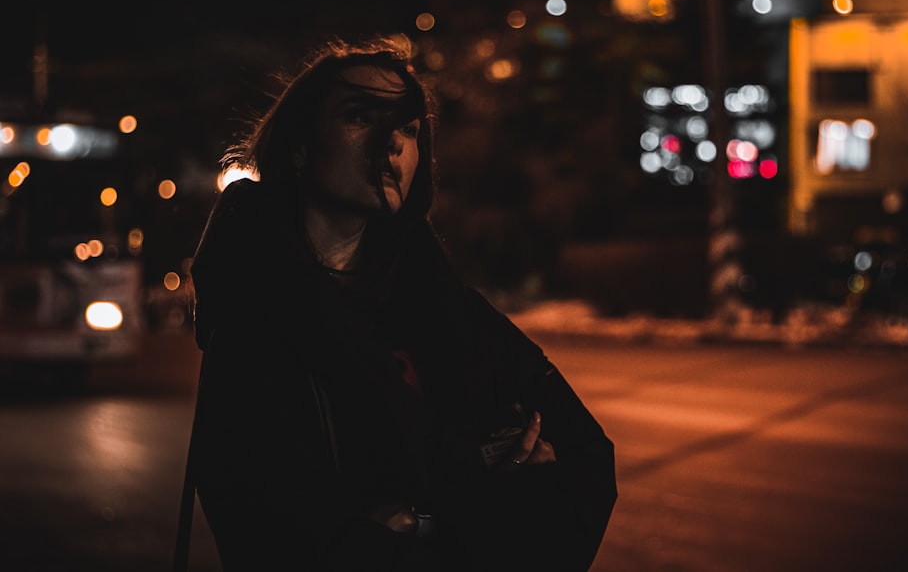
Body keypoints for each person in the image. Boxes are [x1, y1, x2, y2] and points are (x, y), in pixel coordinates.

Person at [185, 34, 617, 571]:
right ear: (299, 144)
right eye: (361, 116)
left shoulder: (451, 307)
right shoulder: (255, 322)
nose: (392, 140)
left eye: (409, 128)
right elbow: (270, 528)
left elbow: (586, 460)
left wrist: (420, 519)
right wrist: (485, 499)